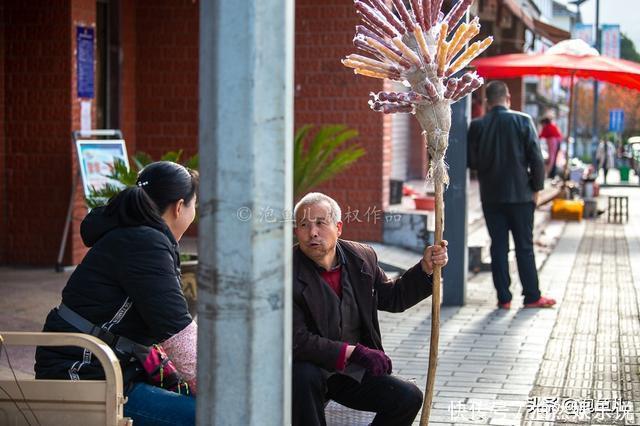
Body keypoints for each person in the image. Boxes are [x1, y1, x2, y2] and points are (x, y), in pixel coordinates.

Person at [35, 161, 199, 425]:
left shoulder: (137, 235)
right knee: (216, 414)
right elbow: (177, 334)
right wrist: (223, 390)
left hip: (106, 370)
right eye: (195, 205)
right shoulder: (145, 243)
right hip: (88, 376)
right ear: (180, 207)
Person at [292, 192, 448, 426]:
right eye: (304, 225)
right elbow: (297, 339)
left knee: (407, 397)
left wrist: (425, 269)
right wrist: (354, 352)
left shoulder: (361, 258)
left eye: (320, 223)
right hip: (309, 370)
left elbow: (394, 297)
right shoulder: (284, 271)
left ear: (339, 227)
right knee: (303, 376)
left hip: (349, 372)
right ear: (296, 232)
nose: (312, 232)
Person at [467, 81, 556, 310]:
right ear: (508, 97)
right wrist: (537, 188)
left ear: (487, 102)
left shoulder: (477, 126)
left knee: (498, 247)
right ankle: (532, 296)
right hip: (521, 196)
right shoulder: (523, 120)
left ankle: (504, 298)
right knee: (524, 247)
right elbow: (536, 159)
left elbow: (472, 162)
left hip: (491, 196)